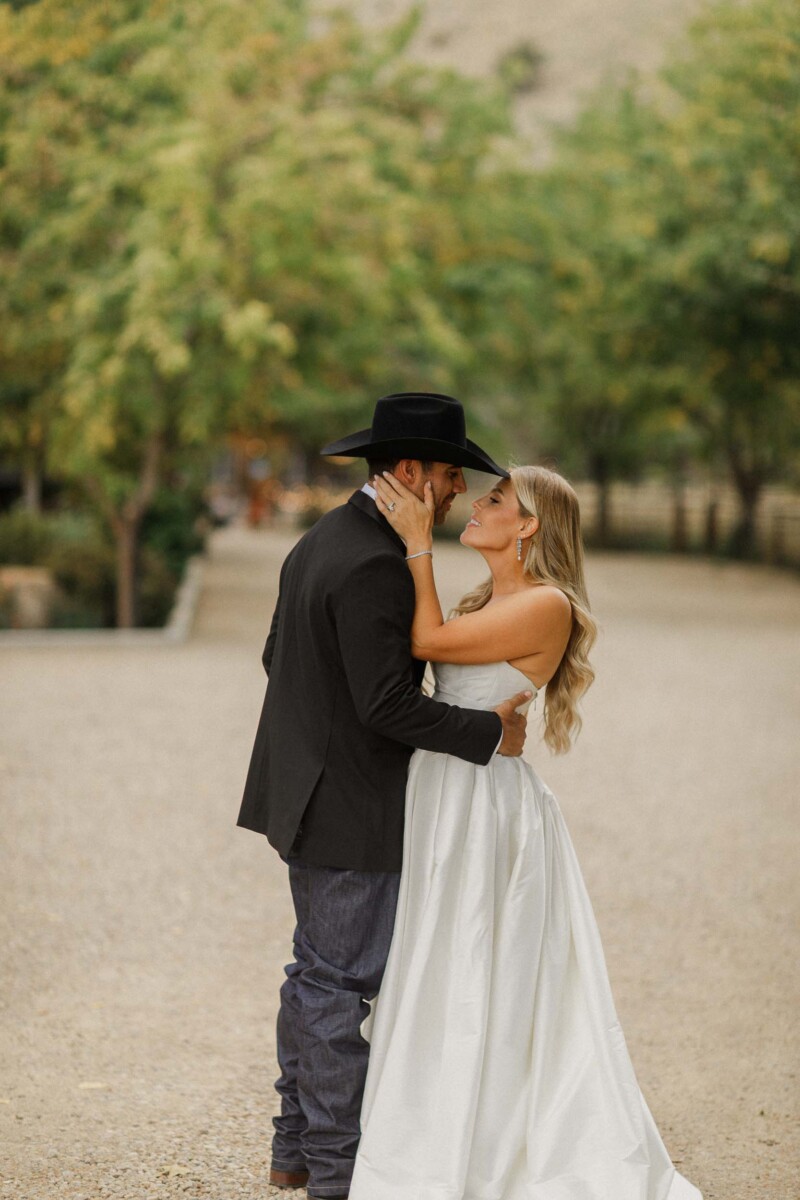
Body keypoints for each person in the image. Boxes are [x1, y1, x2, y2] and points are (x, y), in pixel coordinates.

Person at [347, 464, 703, 1200]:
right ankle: (440, 1125)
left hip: (484, 810)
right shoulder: (493, 596)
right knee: (441, 962)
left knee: (481, 965)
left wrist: (416, 540)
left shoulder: (547, 604)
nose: (477, 504)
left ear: (530, 526)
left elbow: (427, 639)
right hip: (447, 790)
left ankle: (485, 1145)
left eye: (497, 500)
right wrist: (486, 725)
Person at [237, 392, 533, 1200]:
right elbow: (385, 705)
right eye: (447, 477)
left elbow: (277, 656)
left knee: (315, 975)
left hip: (304, 791)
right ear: (409, 472)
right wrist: (488, 735)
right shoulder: (376, 562)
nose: (454, 494)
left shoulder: (321, 538)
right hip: (349, 808)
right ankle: (335, 1171)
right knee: (340, 986)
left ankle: (294, 1146)